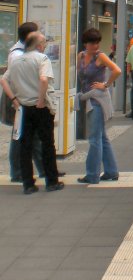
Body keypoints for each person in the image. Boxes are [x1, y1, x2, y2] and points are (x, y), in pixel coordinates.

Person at [0, 32, 64, 194]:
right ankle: (51, 181)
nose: (45, 45)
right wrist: (41, 100)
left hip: (23, 107)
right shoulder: (42, 59)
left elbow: (3, 80)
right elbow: (43, 79)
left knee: (25, 145)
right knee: (47, 143)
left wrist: (14, 99)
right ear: (38, 45)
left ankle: (28, 183)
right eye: (43, 42)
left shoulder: (16, 61)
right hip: (40, 107)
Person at [77, 28, 121, 184]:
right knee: (102, 137)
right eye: (92, 43)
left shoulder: (101, 56)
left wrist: (106, 84)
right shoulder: (81, 56)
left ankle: (92, 174)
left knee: (94, 138)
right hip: (87, 98)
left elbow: (117, 70)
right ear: (85, 43)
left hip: (98, 100)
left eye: (97, 43)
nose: (95, 46)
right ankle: (111, 171)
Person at [4, 22, 44, 182]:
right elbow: (9, 79)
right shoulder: (17, 55)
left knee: (31, 135)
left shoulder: (25, 52)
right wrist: (15, 100)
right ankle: (17, 171)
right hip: (20, 100)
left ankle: (43, 168)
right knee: (19, 136)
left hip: (25, 98)